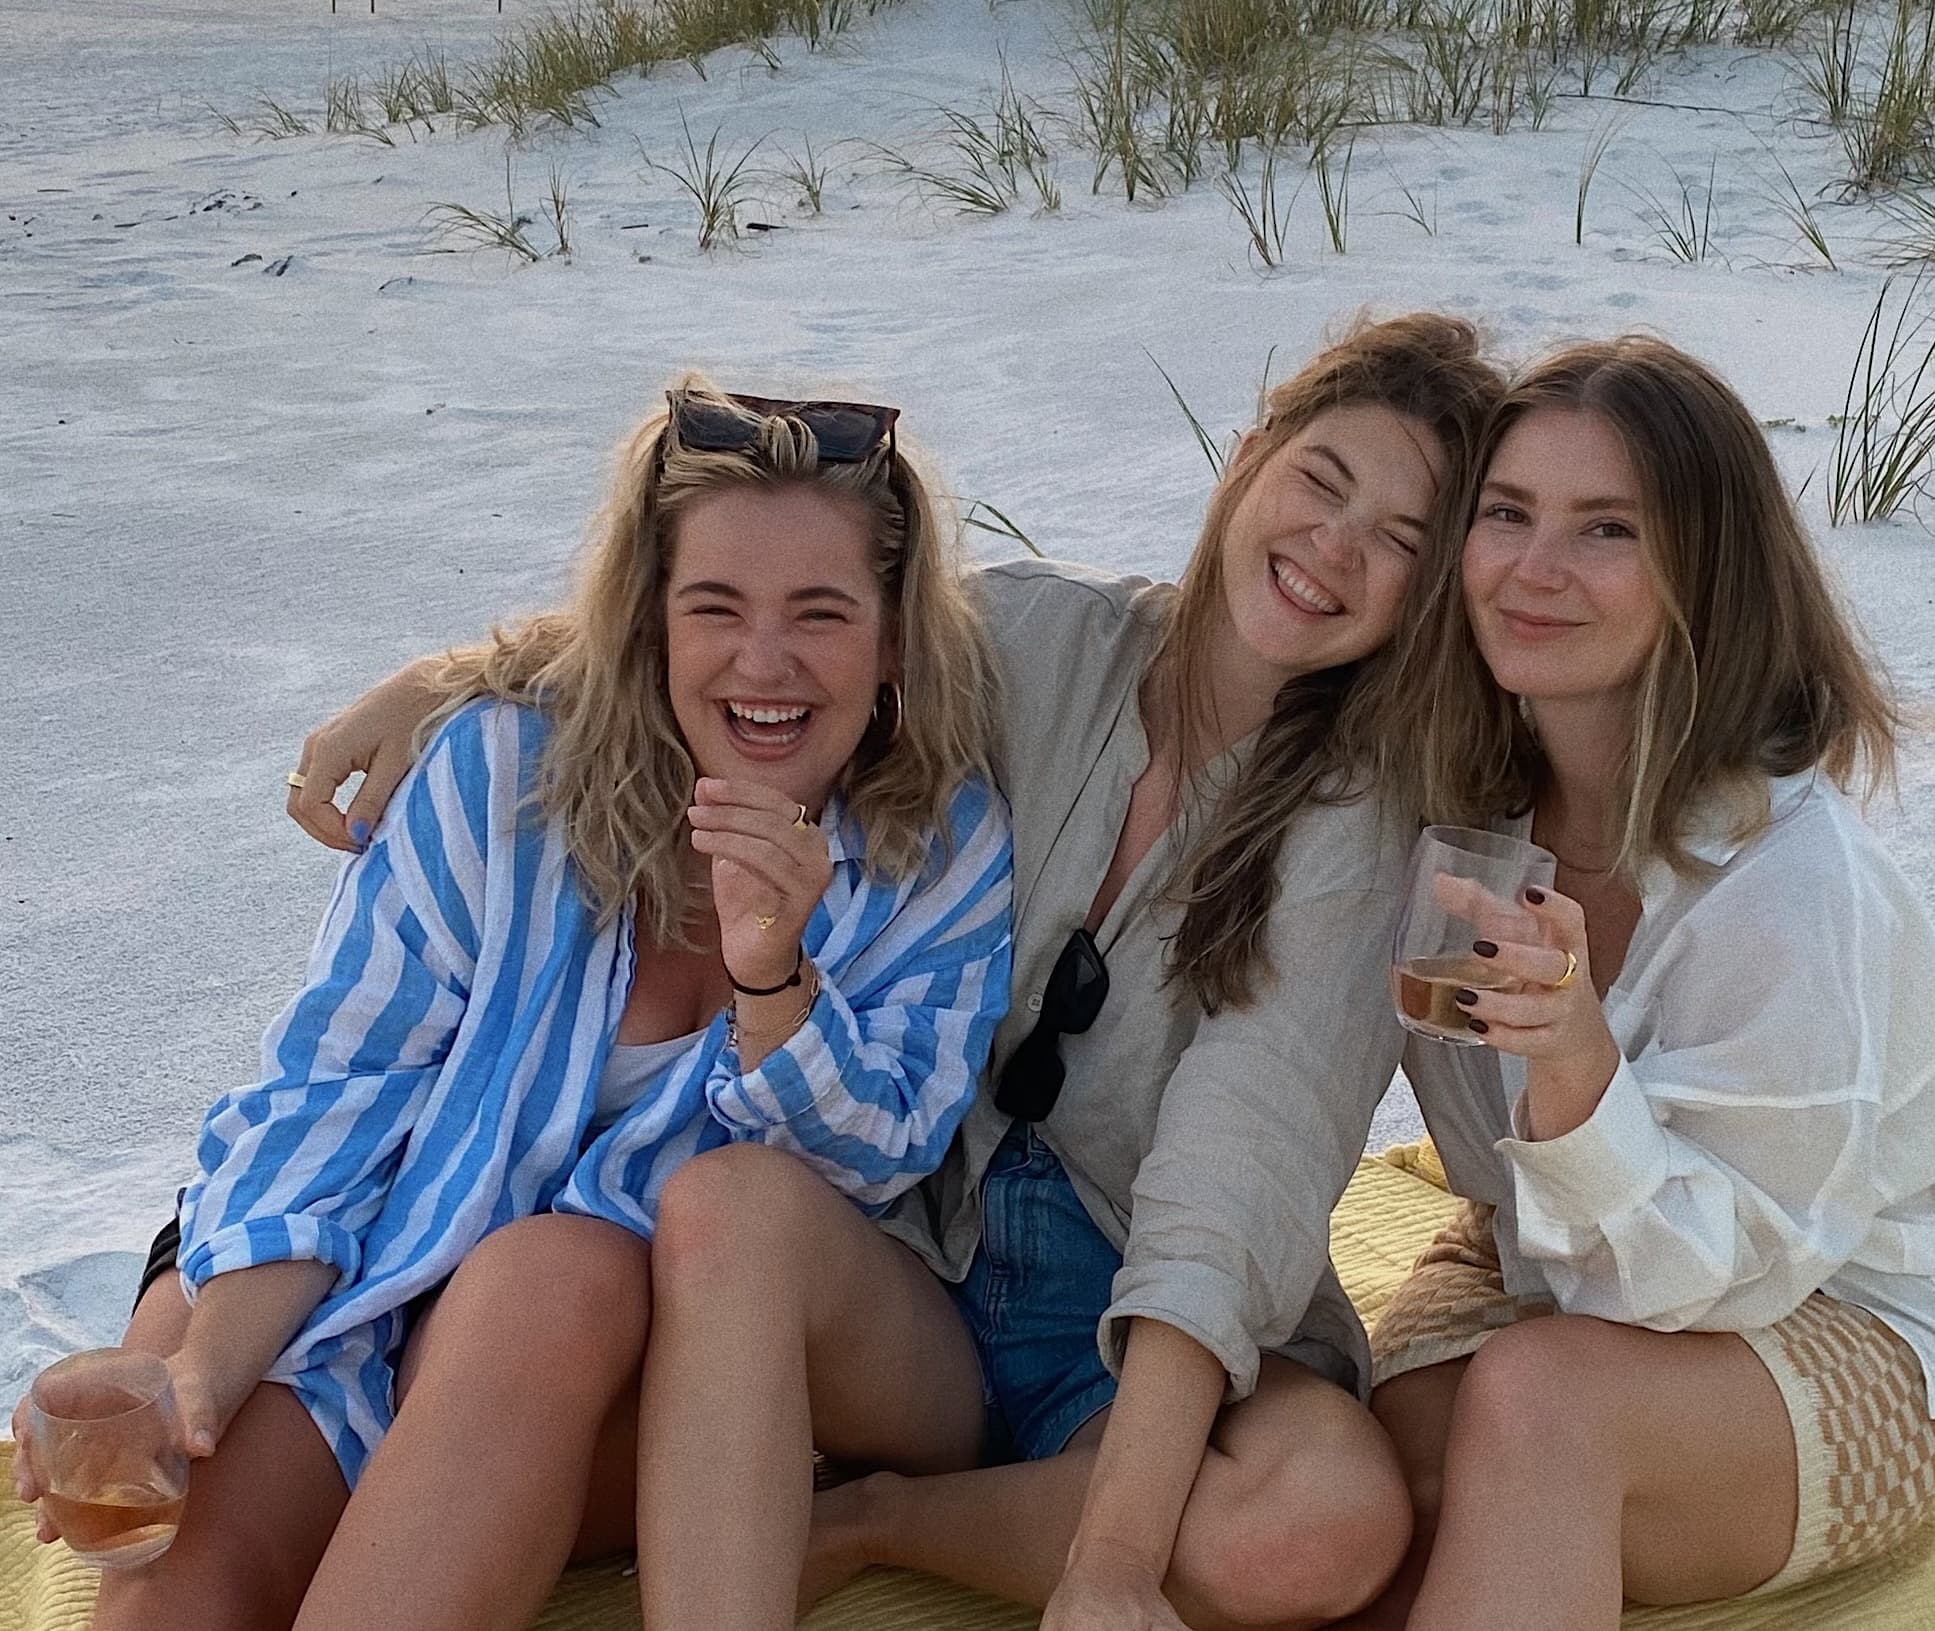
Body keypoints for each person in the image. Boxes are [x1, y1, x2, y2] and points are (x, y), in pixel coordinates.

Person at [281, 314, 1507, 1631]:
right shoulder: (1035, 639)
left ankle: (873, 1521)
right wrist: (458, 676)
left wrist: (1118, 1559)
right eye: (1322, 483)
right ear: (1248, 459)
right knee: (732, 1195)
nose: (1336, 546)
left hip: (1144, 1318)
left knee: (1327, 1521)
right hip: (909, 1279)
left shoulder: (1364, 826)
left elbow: (1237, 1170)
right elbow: (777, 636)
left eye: (1400, 540)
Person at [10, 383, 1014, 1631]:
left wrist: (776, 975)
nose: (765, 663)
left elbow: (874, 1160)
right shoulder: (500, 776)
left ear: (893, 639)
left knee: (554, 1269)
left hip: (688, 1363)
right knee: (176, 1588)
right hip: (407, 1308)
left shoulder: (938, 843)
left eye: (822, 613)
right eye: (714, 608)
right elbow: (331, 1093)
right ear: (647, 625)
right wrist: (201, 1370)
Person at [1351, 334, 1935, 1631]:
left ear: (1703, 573)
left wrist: (1576, 1060)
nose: (1534, 569)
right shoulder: (1457, 801)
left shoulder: (1783, 880)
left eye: (1606, 529)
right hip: (1542, 1262)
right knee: (1378, 1479)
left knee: (1540, 1409)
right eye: (1506, 513)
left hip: (1828, 1314)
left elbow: (1713, 1275)